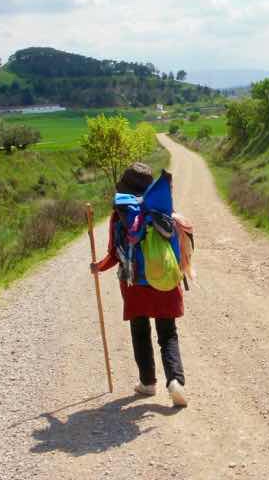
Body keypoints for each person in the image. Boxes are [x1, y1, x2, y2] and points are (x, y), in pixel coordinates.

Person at [91, 162, 188, 407]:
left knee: (140, 331)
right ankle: (175, 381)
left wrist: (98, 267)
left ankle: (148, 383)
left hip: (134, 285)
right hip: (165, 280)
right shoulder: (163, 211)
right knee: (168, 334)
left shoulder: (120, 214)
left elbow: (114, 254)